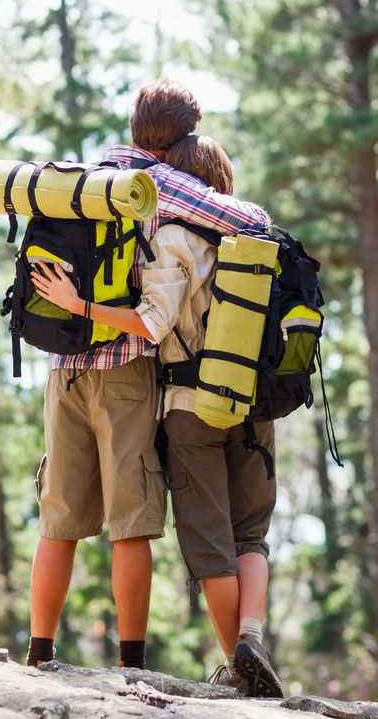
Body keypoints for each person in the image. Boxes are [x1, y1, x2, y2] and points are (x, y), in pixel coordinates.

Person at [24, 81, 269, 675]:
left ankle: (39, 652)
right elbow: (251, 220)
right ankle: (131, 664)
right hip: (125, 370)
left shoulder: (84, 179)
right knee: (131, 522)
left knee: (58, 521)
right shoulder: (160, 183)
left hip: (62, 369)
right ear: (180, 137)